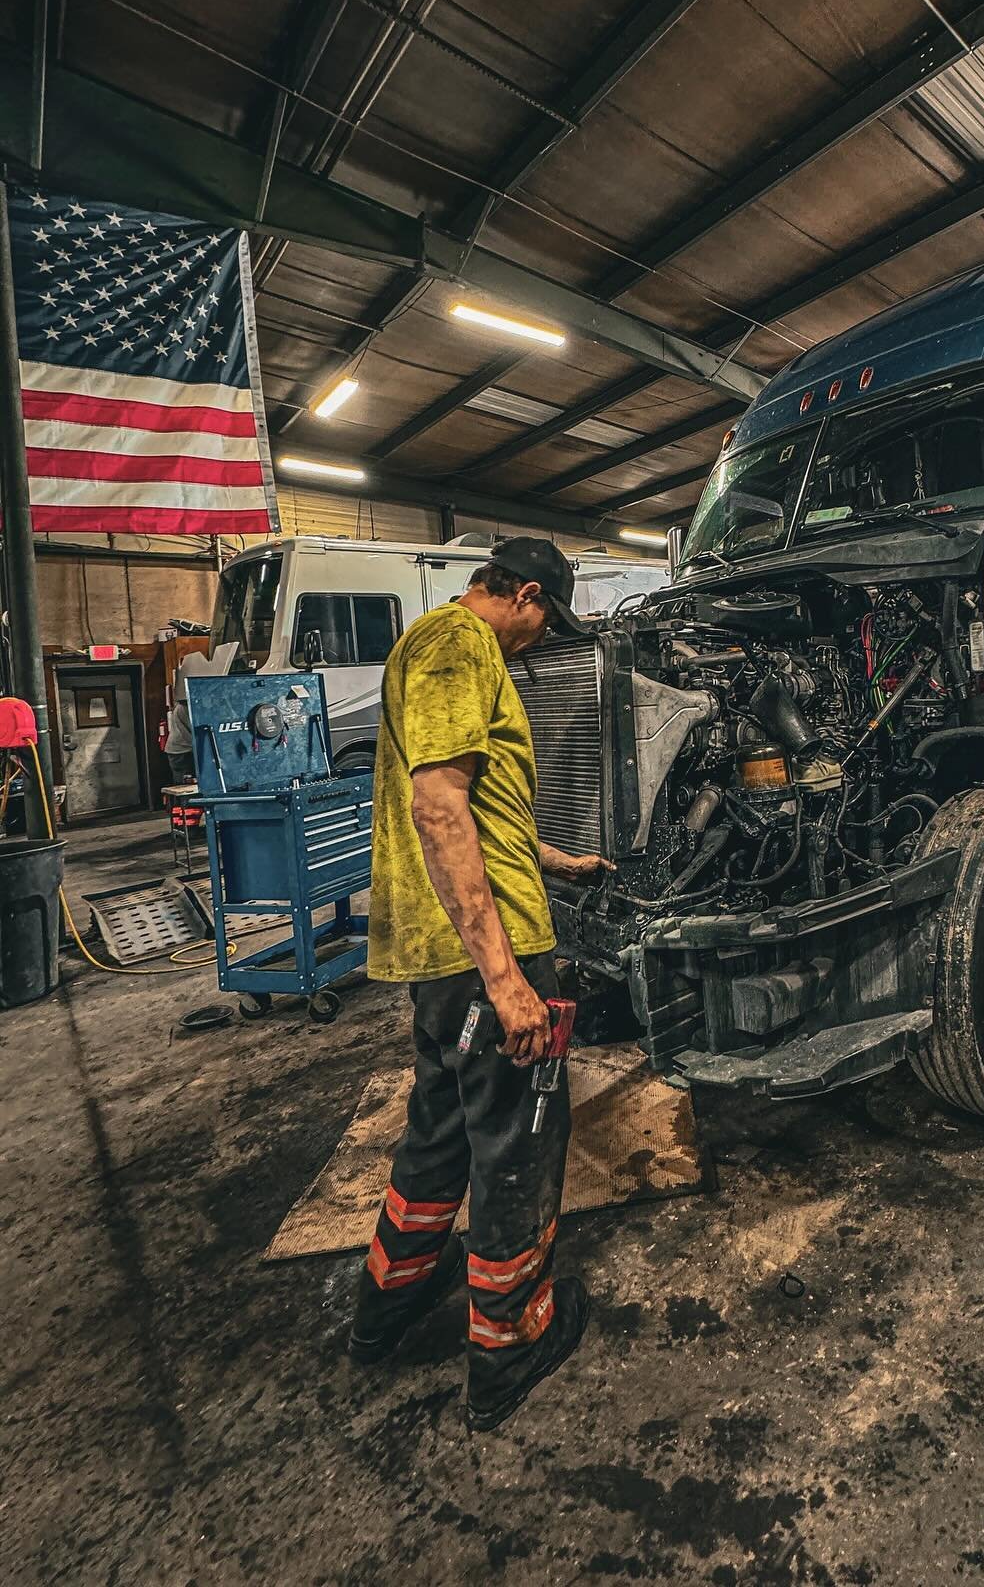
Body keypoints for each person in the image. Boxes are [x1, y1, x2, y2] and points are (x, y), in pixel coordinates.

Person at [347, 536, 612, 1432]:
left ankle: (385, 1314)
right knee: (520, 1142)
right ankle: (510, 1346)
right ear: (525, 593)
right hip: (482, 953)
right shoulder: (463, 646)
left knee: (442, 1136)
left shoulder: (424, 646)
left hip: (439, 956)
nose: (543, 640)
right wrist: (506, 981)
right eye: (547, 620)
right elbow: (438, 806)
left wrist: (555, 859)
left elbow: (474, 800)